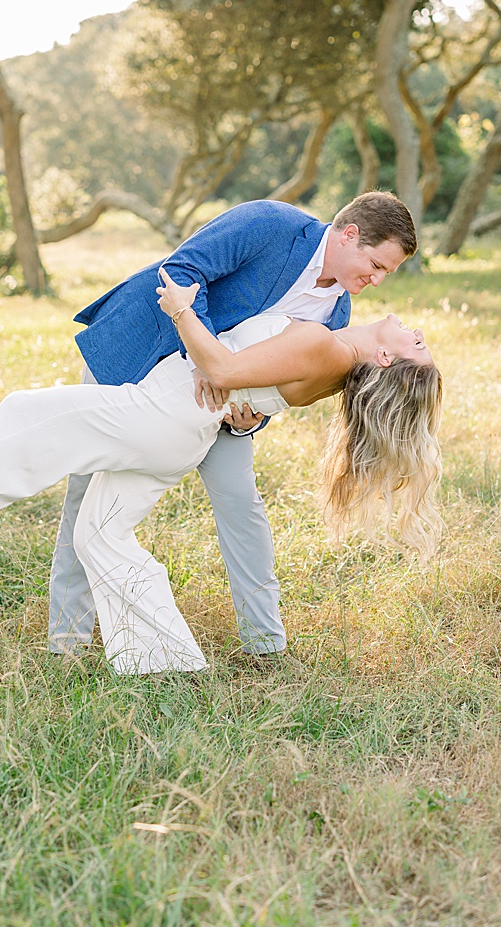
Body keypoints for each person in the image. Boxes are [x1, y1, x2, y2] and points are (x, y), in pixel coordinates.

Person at [0, 271, 442, 672]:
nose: (417, 331)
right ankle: (161, 659)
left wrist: (181, 309)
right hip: (180, 435)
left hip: (159, 415)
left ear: (388, 359)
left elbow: (218, 365)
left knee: (24, 411)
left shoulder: (325, 349)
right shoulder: (330, 352)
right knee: (99, 534)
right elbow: (245, 389)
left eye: (418, 345)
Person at [59, 193, 416, 659]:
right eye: (376, 264)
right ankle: (67, 640)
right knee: (85, 494)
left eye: (387, 272)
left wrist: (253, 419)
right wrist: (206, 364)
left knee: (241, 505)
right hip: (139, 353)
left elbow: (283, 377)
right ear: (349, 234)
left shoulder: (336, 315)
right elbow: (181, 272)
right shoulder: (270, 223)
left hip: (217, 412)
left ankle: (265, 646)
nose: (378, 279)